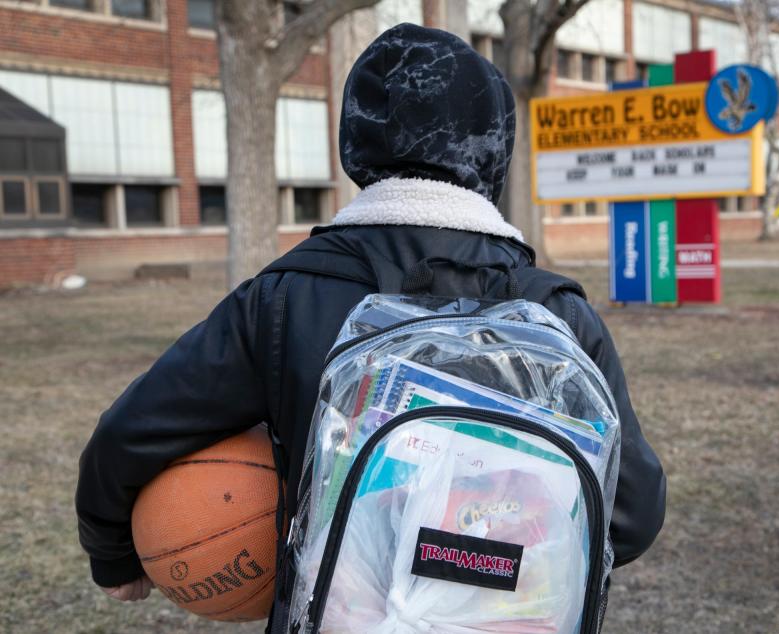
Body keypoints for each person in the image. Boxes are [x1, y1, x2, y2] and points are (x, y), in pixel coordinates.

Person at [76, 22, 666, 624]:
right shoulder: (559, 314)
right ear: (496, 147)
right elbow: (633, 515)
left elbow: (133, 434)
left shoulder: (284, 297)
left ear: (355, 138)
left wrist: (113, 556)